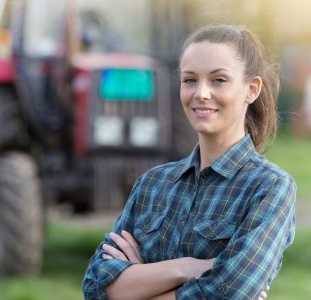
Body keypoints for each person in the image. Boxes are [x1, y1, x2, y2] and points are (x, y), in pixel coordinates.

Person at [82, 24, 296, 300]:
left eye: (218, 80)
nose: (201, 93)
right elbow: (95, 286)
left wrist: (136, 282)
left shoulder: (269, 188)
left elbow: (228, 293)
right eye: (190, 80)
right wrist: (185, 268)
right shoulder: (152, 184)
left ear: (251, 89)